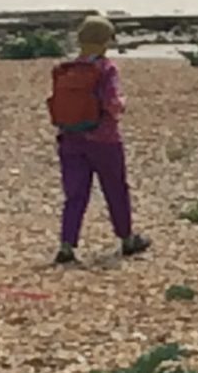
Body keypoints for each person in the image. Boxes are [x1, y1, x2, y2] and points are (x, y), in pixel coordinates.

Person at [50, 16, 150, 265]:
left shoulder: (65, 69)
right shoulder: (105, 69)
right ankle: (126, 238)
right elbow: (112, 103)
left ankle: (66, 245)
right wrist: (122, 105)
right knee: (115, 189)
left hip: (70, 138)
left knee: (75, 194)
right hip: (104, 139)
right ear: (106, 41)